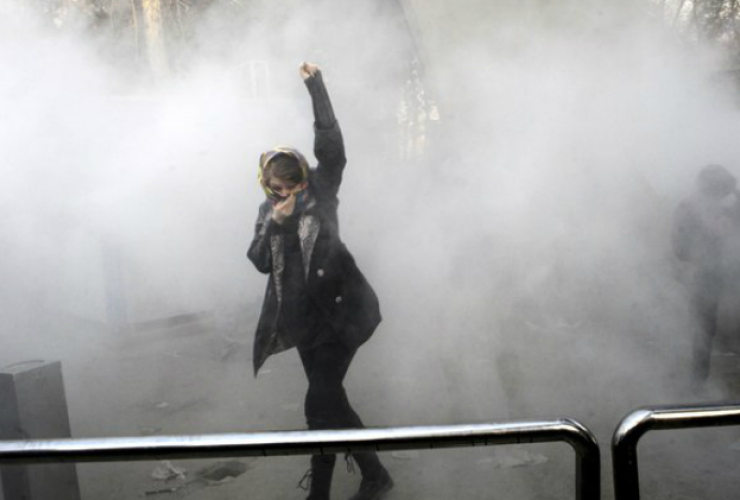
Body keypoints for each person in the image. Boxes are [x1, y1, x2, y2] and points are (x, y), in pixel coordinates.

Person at [247, 62, 393, 500]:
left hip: (342, 319)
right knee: (333, 403)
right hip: (304, 324)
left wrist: (317, 86)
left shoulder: (321, 193)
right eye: (276, 188)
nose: (285, 194)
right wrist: (275, 224)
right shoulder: (267, 214)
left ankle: (320, 495)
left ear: (302, 179)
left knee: (318, 404)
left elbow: (333, 150)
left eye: (291, 185)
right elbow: (257, 261)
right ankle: (375, 473)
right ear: (266, 185)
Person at [672, 164, 740, 383]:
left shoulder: (734, 206)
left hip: (729, 274)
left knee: (706, 330)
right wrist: (710, 242)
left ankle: (698, 382)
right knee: (702, 332)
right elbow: (681, 249)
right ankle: (697, 383)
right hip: (707, 275)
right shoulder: (689, 208)